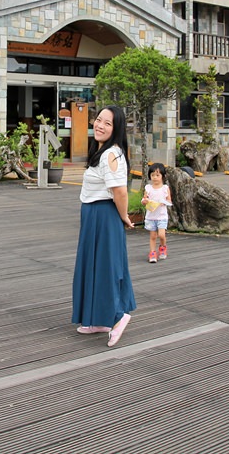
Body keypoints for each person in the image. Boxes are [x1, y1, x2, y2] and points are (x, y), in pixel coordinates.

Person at [71, 105, 136, 347]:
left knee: (107, 269)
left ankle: (119, 316)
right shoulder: (102, 151)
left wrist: (124, 217)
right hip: (93, 215)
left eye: (107, 123)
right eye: (99, 120)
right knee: (94, 267)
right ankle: (99, 319)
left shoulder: (112, 155)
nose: (100, 125)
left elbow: (119, 192)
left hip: (104, 216)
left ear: (116, 128)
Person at [141, 162, 172, 263]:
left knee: (162, 235)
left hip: (162, 216)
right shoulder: (148, 188)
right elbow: (145, 199)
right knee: (153, 236)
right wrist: (145, 201)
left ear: (162, 176)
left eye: (157, 175)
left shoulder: (165, 188)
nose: (155, 177)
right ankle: (152, 252)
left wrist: (164, 202)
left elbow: (169, 201)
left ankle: (162, 247)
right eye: (152, 175)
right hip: (151, 216)